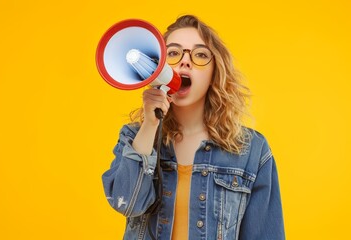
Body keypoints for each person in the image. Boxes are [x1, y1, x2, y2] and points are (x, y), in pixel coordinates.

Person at [102, 14, 285, 240]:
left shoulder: (251, 150)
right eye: (173, 53)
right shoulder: (135, 137)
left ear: (214, 73)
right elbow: (127, 203)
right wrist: (150, 125)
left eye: (200, 55)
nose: (184, 61)